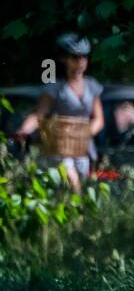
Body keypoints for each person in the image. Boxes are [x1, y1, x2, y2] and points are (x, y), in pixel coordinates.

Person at [16, 33, 105, 193]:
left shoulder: (92, 85)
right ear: (65, 59)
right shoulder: (54, 86)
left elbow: (99, 119)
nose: (81, 61)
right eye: (75, 57)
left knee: (82, 188)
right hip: (58, 147)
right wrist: (24, 130)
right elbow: (39, 115)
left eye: (84, 57)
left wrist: (84, 132)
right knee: (73, 183)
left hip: (82, 147)